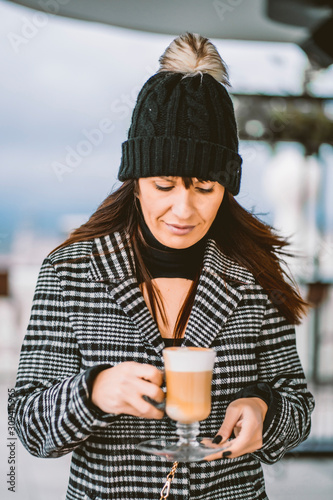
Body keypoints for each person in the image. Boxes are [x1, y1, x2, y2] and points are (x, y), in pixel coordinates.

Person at [11, 33, 314, 500]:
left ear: (226, 188)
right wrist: (93, 392)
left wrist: (265, 410)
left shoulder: (254, 272)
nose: (183, 210)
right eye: (164, 185)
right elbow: (28, 425)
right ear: (135, 181)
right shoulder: (70, 271)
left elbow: (296, 404)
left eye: (204, 188)